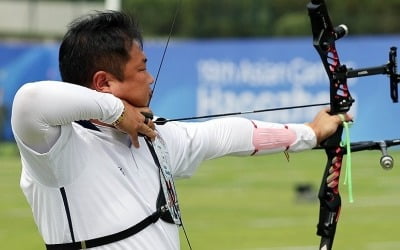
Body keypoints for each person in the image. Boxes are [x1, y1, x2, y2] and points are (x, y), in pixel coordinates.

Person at [11, 10, 350, 250]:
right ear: (104, 83)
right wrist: (118, 113)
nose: (151, 78)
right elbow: (29, 101)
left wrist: (310, 133)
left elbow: (228, 134)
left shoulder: (155, 139)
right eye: (141, 68)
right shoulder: (59, 147)